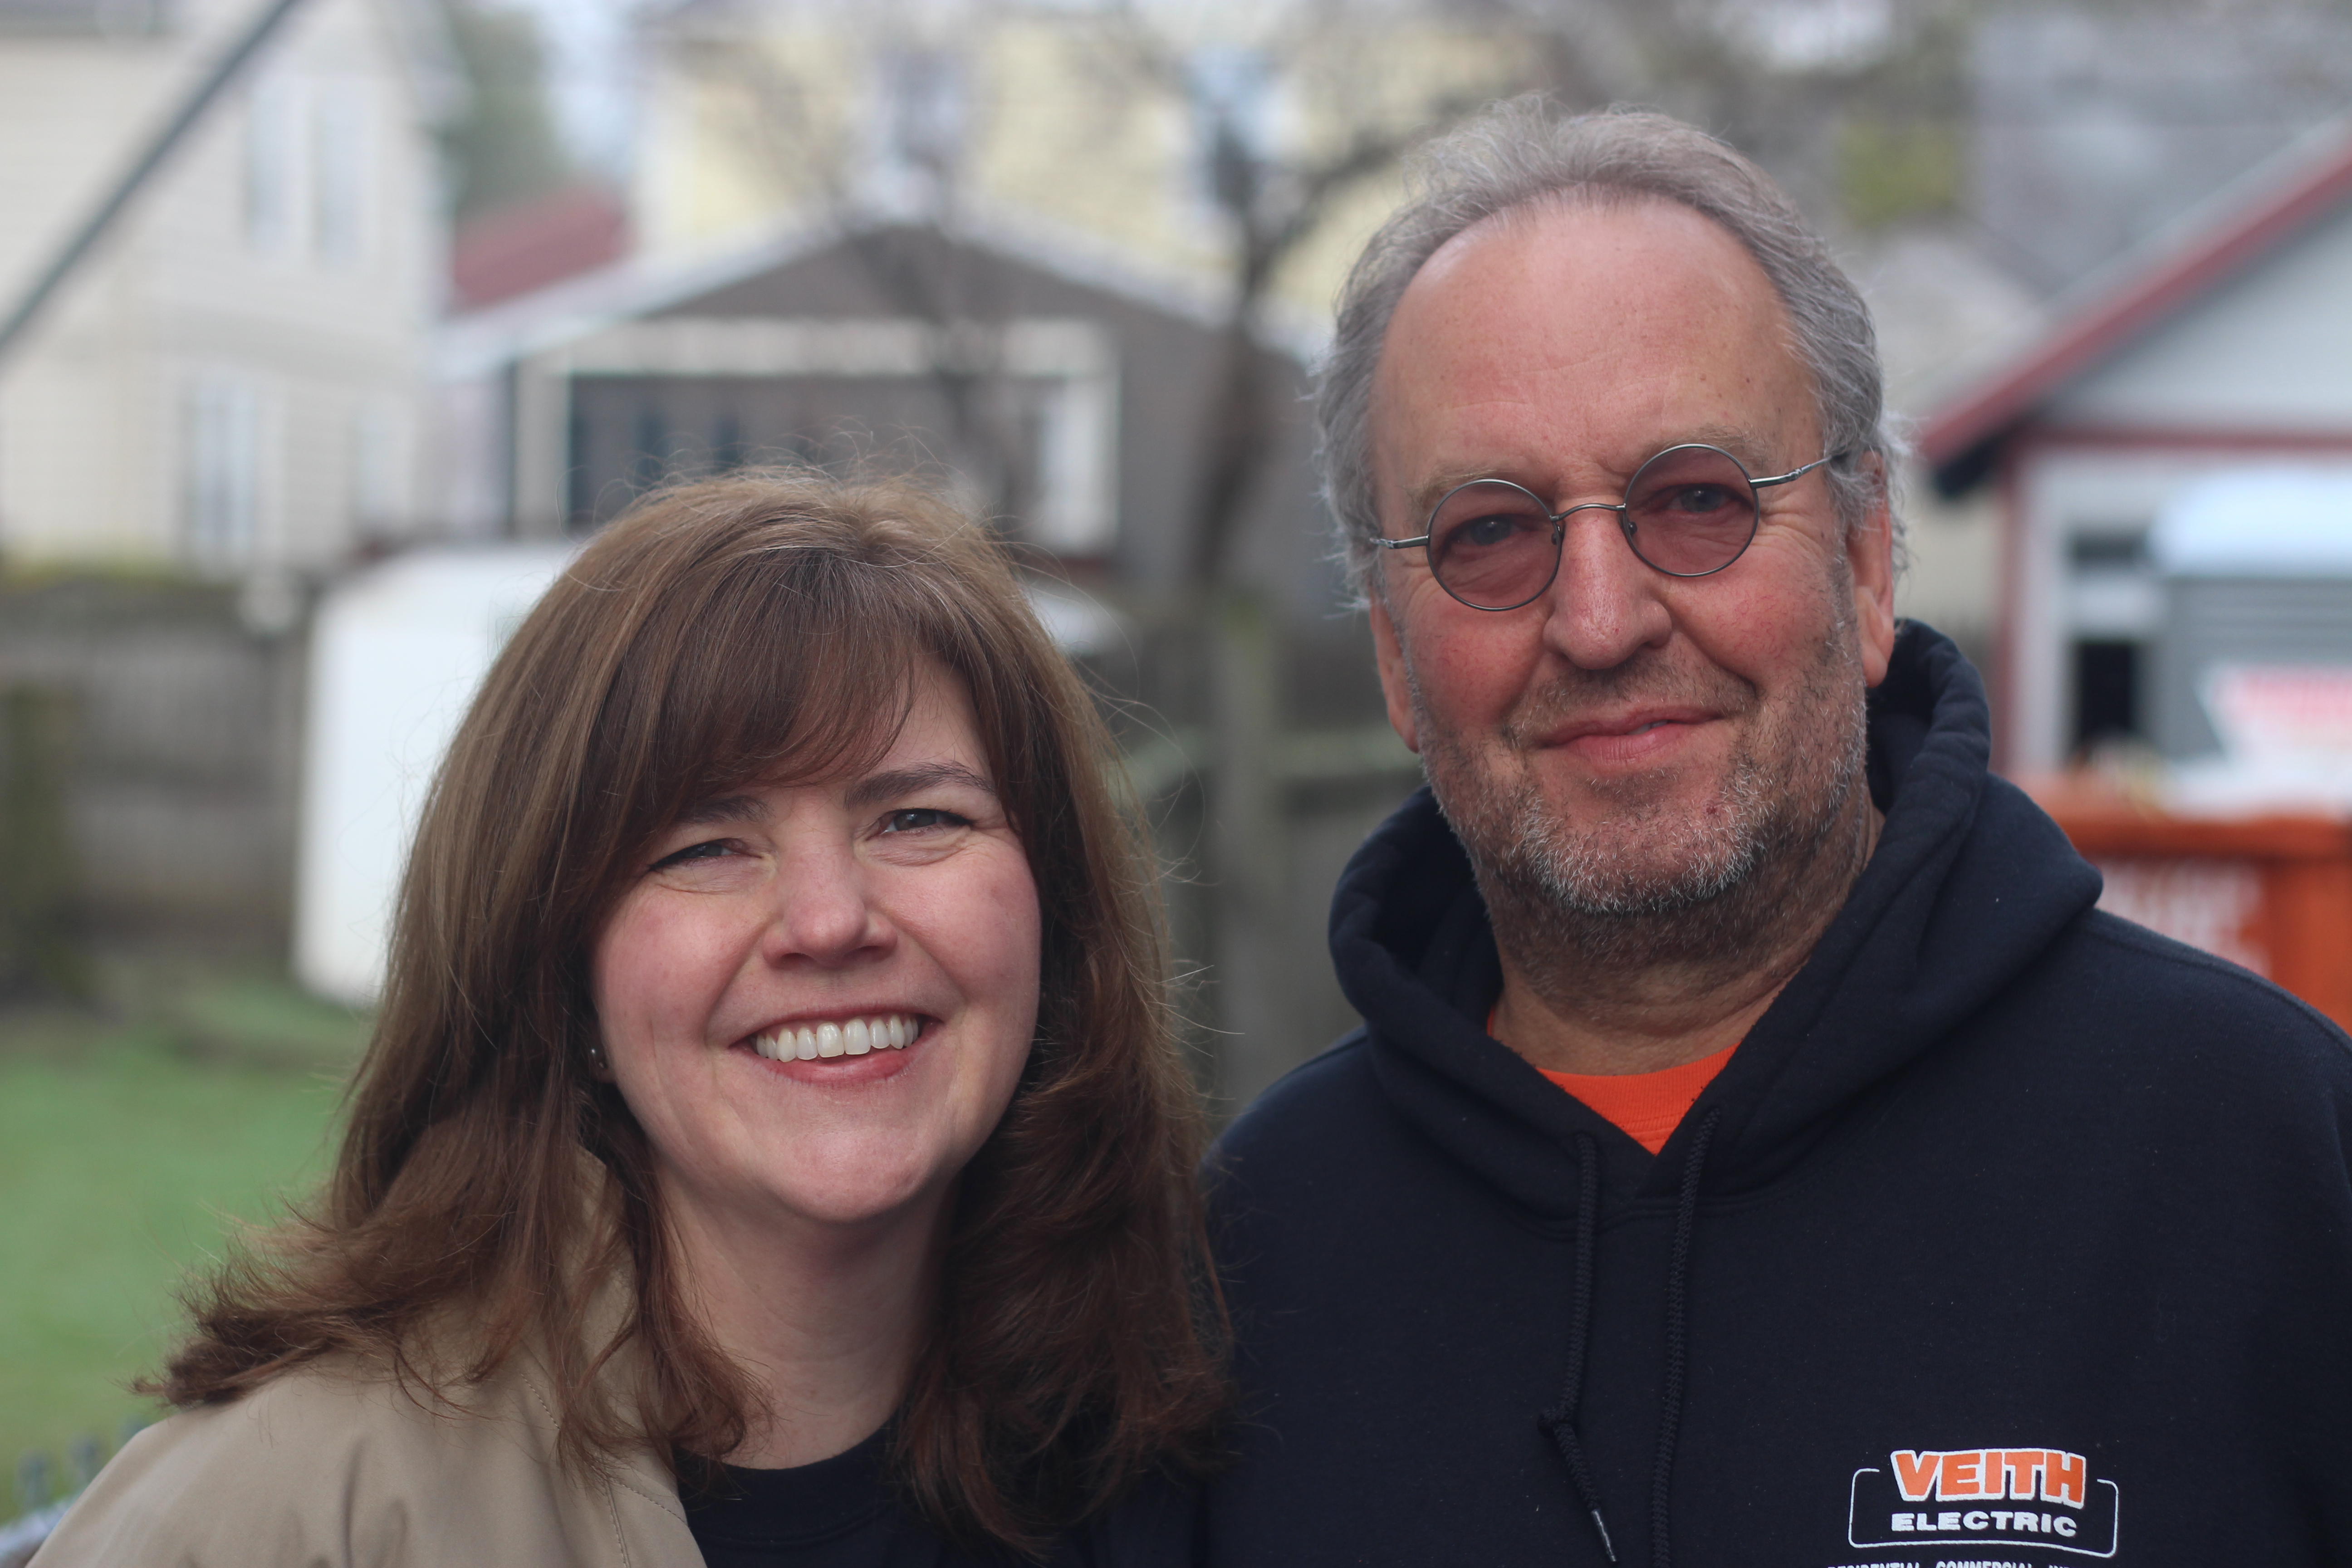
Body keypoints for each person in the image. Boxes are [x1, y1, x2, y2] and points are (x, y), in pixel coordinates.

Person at [1200, 99, 2352, 1568]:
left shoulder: (2268, 1166)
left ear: (1868, 566)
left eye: (1696, 501)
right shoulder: (1241, 1278)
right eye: (1491, 530)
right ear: (1389, 657)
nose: (1601, 621)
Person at [35, 471, 1224, 1567]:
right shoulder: (299, 1516)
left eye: (919, 821)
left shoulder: (1194, 1445)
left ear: (1054, 912)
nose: (829, 920)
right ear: (558, 973)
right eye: (707, 846)